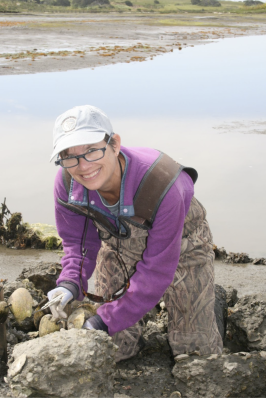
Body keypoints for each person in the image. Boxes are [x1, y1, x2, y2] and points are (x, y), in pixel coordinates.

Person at [47, 105, 222, 361]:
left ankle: (212, 308)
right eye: (69, 156)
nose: (83, 166)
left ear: (114, 144)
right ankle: (133, 336)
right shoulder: (67, 184)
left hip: (183, 244)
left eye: (92, 150)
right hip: (118, 244)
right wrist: (69, 283)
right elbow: (78, 242)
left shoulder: (161, 185)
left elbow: (157, 270)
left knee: (197, 356)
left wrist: (103, 320)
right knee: (113, 348)